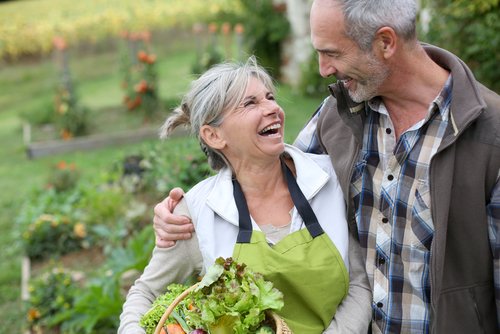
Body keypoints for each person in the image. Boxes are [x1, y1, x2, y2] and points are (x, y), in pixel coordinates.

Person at [152, 0, 500, 333]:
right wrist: (184, 215)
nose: (323, 69)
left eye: (331, 53)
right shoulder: (336, 117)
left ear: (385, 42)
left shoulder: (489, 135)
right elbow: (260, 169)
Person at [118, 57, 372, 334]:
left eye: (270, 97)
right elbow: (145, 293)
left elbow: (359, 283)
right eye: (250, 103)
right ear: (214, 136)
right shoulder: (196, 211)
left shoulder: (330, 179)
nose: (273, 108)